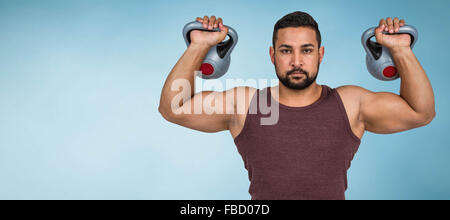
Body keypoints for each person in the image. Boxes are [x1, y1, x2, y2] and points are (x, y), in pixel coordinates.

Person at [158, 12, 436, 200]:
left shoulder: (350, 103)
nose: (296, 61)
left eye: (306, 50)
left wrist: (400, 49)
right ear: (272, 55)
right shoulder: (246, 104)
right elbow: (173, 108)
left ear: (320, 54)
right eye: (286, 50)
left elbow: (420, 112)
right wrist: (198, 46)